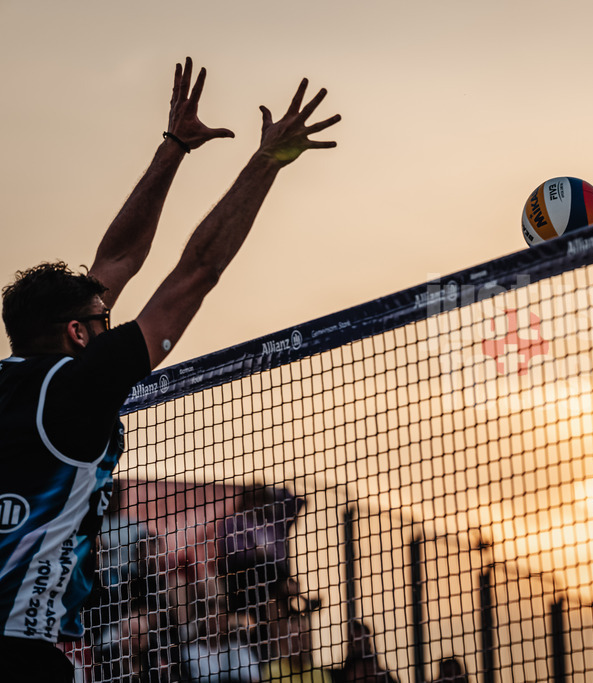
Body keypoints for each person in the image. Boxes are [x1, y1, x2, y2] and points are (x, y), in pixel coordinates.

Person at [0, 57, 341, 682]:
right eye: (101, 320)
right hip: (22, 648)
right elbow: (195, 274)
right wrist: (268, 161)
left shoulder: (15, 380)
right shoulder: (77, 391)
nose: (111, 321)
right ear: (77, 333)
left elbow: (116, 258)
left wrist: (175, 147)